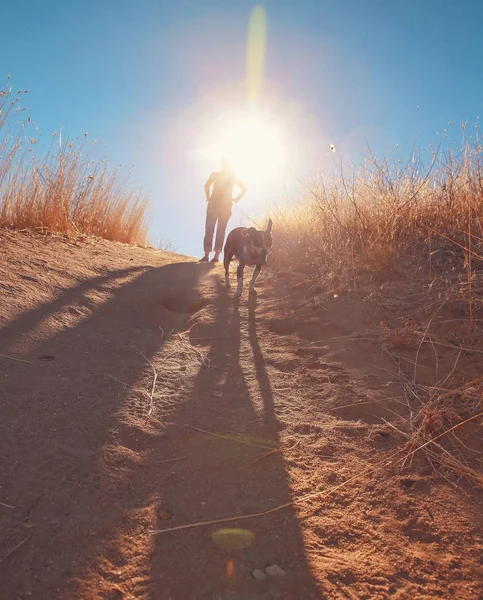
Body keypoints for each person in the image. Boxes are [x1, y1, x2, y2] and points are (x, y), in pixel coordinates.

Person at [200, 158, 247, 263]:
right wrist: (236, 199)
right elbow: (244, 188)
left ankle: (207, 256)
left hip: (214, 204)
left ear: (222, 164)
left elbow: (206, 186)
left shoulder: (215, 175)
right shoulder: (233, 177)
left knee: (210, 228)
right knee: (220, 229)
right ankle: (215, 257)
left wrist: (208, 197)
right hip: (225, 205)